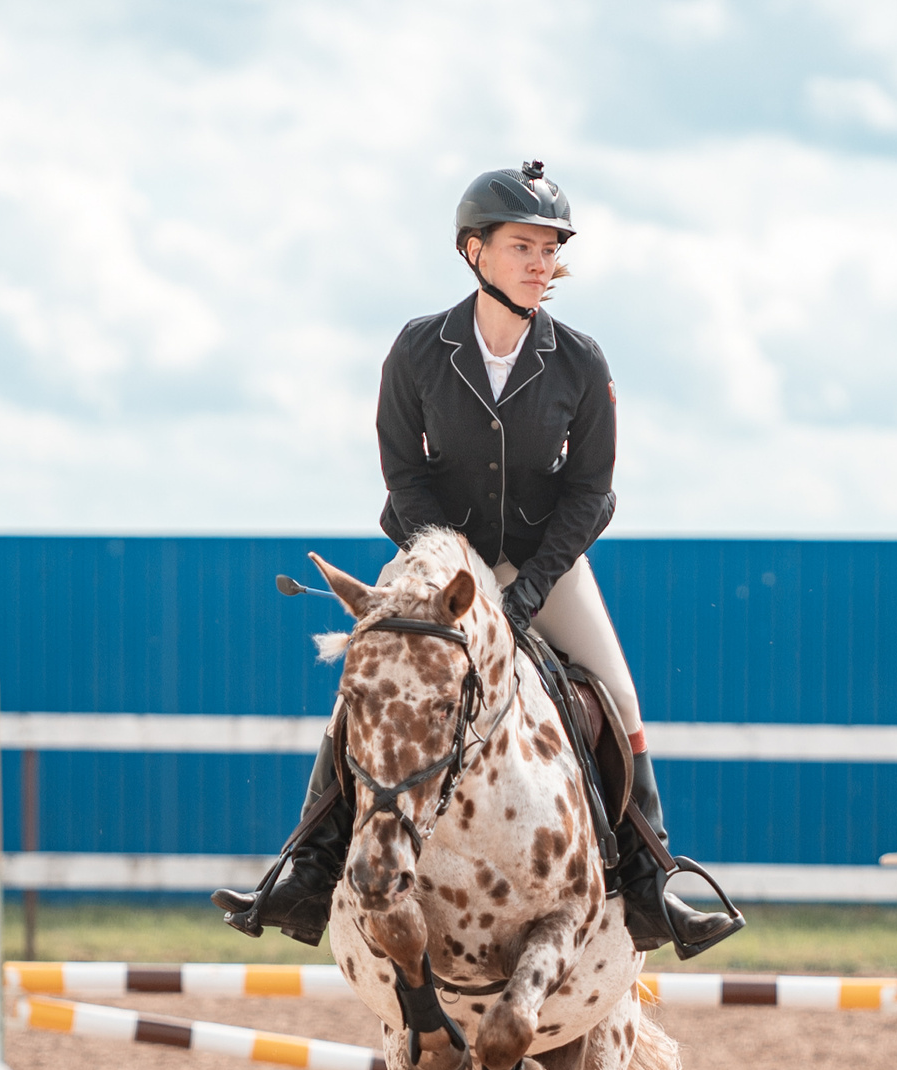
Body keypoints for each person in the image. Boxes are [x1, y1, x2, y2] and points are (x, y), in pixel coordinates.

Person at [214, 162, 743, 958]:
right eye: (523, 245)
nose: (542, 262)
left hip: (544, 565)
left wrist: (525, 593)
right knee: (370, 689)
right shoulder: (421, 349)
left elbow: (590, 492)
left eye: (550, 248)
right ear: (474, 250)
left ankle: (651, 879)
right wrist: (450, 564)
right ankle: (308, 867)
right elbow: (406, 475)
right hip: (437, 568)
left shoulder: (578, 360)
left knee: (621, 697)